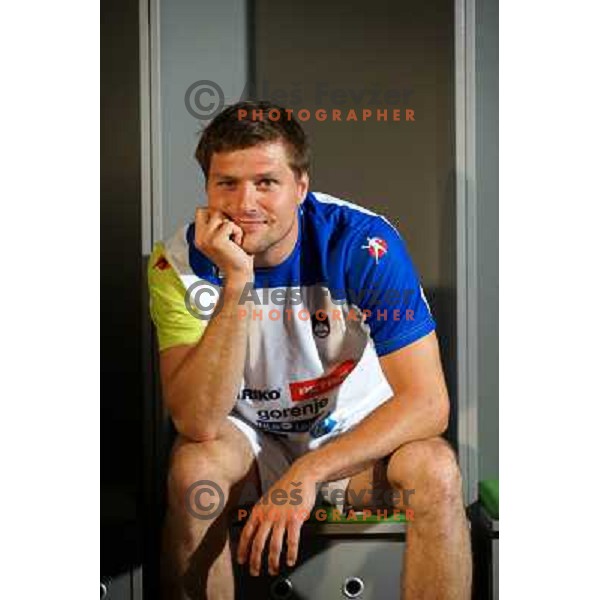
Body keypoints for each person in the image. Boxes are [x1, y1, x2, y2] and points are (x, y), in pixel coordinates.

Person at [148, 100, 472, 599]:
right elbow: (197, 422)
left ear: (300, 186)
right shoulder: (178, 262)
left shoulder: (365, 243)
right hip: (252, 444)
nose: (244, 203)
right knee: (194, 474)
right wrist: (236, 281)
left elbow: (428, 403)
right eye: (226, 183)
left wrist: (308, 474)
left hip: (353, 447)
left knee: (435, 470)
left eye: (266, 182)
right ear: (207, 187)